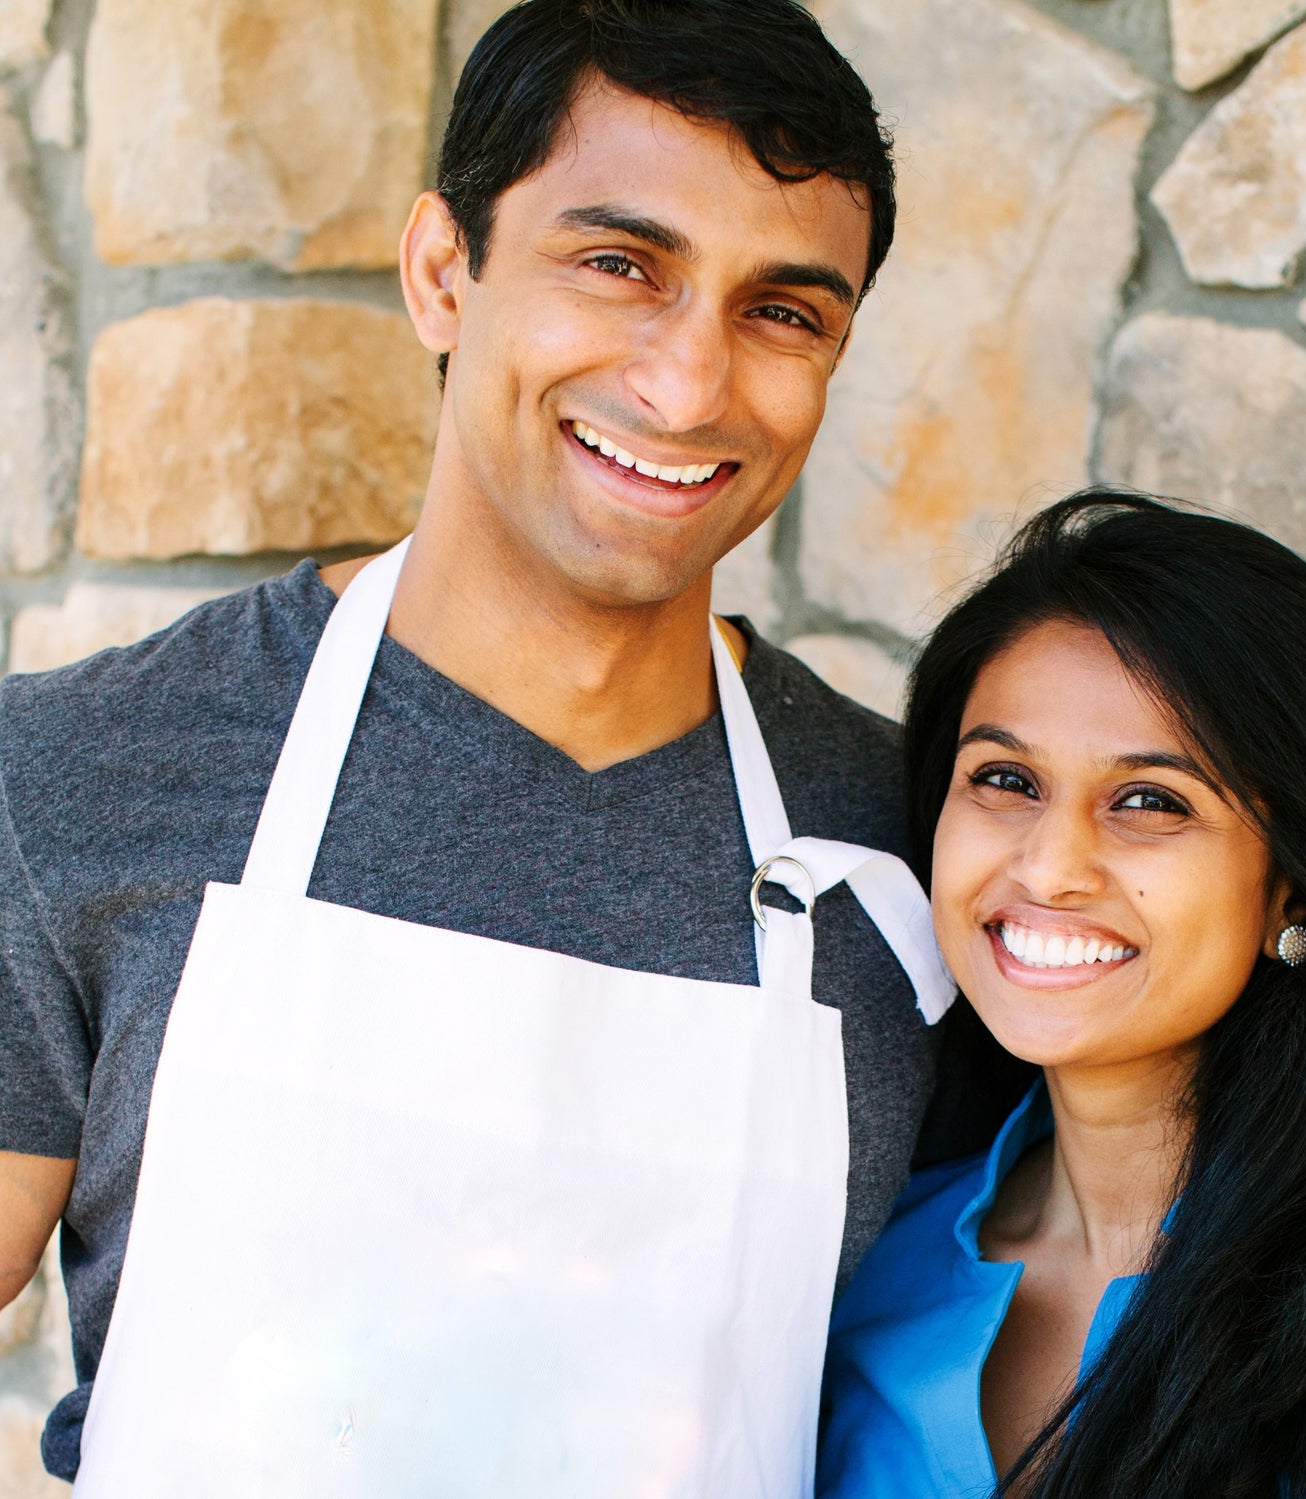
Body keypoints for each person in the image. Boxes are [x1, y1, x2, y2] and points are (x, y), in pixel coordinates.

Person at [0, 2, 971, 1492]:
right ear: (444, 271)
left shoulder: (920, 854)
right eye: (619, 264)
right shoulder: (79, 770)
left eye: (784, 309)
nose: (689, 382)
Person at [817, 492, 1306, 1498]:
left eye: (1151, 800)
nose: (1050, 867)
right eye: (1004, 778)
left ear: (1293, 882)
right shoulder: (864, 1267)